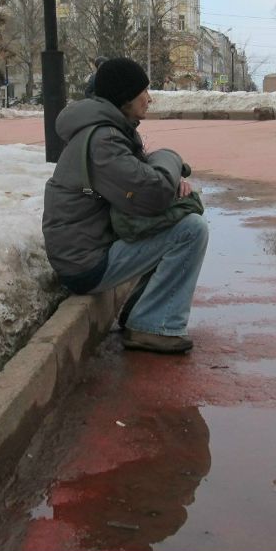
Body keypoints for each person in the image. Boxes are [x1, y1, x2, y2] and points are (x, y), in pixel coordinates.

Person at [43, 57, 208, 354]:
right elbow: (152, 193)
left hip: (91, 248)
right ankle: (152, 325)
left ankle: (142, 313)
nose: (149, 98)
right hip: (85, 264)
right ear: (125, 97)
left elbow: (143, 181)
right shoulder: (103, 140)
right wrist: (172, 159)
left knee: (178, 218)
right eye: (144, 91)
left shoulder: (106, 130)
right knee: (190, 230)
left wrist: (170, 178)